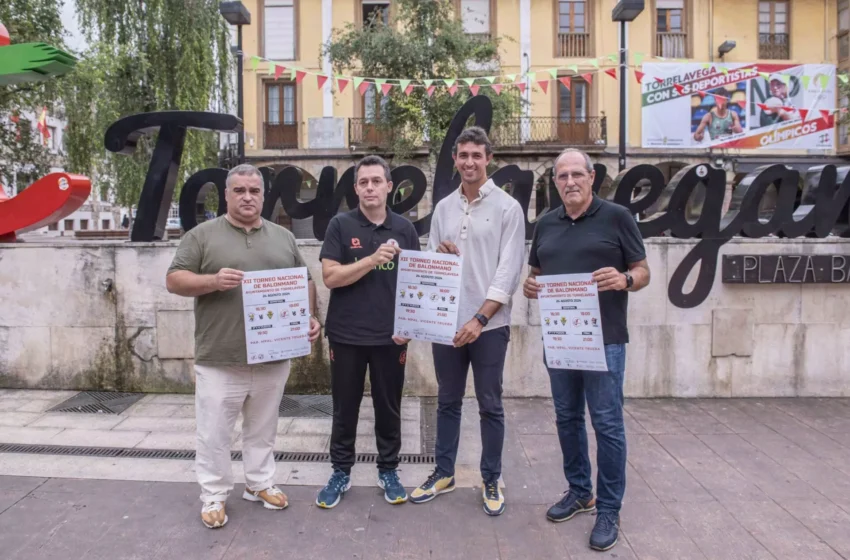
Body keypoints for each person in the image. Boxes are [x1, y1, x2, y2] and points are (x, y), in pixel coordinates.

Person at [166, 163, 322, 530]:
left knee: (263, 427)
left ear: (264, 196)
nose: (248, 197)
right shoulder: (202, 236)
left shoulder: (282, 237)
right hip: (221, 356)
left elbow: (305, 280)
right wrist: (211, 281)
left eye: (254, 191)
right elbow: (174, 280)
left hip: (273, 355)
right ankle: (214, 495)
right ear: (226, 194)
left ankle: (260, 482)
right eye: (240, 190)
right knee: (214, 432)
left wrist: (310, 318)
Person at [523, 149, 650, 552]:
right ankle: (580, 491)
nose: (570, 182)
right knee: (566, 417)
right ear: (555, 182)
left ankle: (609, 507)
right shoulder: (545, 223)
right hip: (561, 339)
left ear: (592, 177)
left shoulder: (617, 218)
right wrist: (530, 286)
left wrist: (625, 279)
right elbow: (537, 273)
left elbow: (644, 272)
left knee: (608, 424)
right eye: (563, 176)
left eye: (578, 174)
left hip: (605, 339)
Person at [409, 126, 525, 516]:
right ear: (455, 160)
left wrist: (479, 318)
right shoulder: (443, 207)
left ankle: (490, 477)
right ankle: (443, 473)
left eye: (477, 155)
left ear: (488, 159)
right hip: (447, 323)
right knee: (447, 401)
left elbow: (507, 274)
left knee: (490, 404)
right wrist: (441, 255)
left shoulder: (508, 208)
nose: (470, 162)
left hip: (489, 326)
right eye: (463, 156)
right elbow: (431, 266)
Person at [317, 154, 420, 509]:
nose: (370, 187)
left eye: (377, 181)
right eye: (364, 182)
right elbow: (330, 277)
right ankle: (340, 471)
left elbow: (416, 283)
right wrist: (371, 259)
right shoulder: (340, 225)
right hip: (346, 335)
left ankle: (389, 470)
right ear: (356, 188)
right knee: (344, 407)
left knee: (388, 408)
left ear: (389, 186)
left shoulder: (405, 229)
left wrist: (411, 325)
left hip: (391, 337)